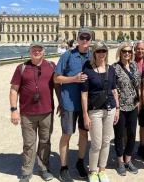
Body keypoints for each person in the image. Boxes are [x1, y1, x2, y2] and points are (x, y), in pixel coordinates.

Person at [9, 42, 57, 182]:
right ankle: (26, 170)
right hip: (27, 113)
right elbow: (14, 89)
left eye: (39, 49)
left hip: (47, 111)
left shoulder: (51, 66)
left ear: (44, 52)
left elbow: (57, 86)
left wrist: (62, 104)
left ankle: (43, 168)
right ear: (30, 52)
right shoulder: (22, 68)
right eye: (34, 49)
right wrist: (13, 110)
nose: (37, 52)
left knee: (45, 142)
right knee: (29, 143)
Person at [54, 28, 92, 182]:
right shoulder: (67, 55)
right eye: (82, 37)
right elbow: (56, 79)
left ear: (90, 39)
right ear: (77, 39)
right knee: (67, 134)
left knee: (84, 133)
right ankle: (63, 167)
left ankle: (80, 162)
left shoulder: (93, 56)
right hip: (69, 102)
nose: (84, 40)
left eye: (87, 38)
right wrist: (74, 79)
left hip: (87, 105)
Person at [81, 41, 120, 182]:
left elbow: (114, 90)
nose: (101, 53)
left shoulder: (111, 69)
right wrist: (85, 114)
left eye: (103, 51)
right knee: (96, 143)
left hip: (110, 109)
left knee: (106, 141)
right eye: (98, 51)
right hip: (95, 111)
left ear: (106, 52)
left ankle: (102, 170)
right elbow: (84, 94)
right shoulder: (88, 70)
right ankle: (93, 171)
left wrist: (117, 109)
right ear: (94, 53)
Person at [112, 42, 141, 176]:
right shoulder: (114, 68)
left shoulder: (134, 65)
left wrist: (139, 101)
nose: (127, 53)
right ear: (120, 52)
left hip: (133, 105)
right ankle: (120, 162)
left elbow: (138, 85)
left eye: (129, 51)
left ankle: (128, 160)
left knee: (132, 134)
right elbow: (113, 89)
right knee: (118, 136)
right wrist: (117, 107)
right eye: (124, 51)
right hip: (121, 107)